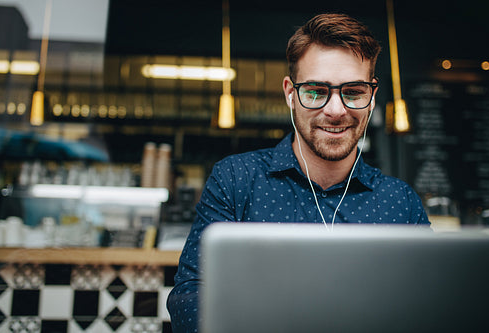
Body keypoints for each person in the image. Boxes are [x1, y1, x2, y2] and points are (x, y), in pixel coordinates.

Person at [167, 13, 430, 332]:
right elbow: (189, 298)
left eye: (354, 91)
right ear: (291, 93)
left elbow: (429, 308)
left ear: (372, 96)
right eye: (317, 91)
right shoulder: (236, 179)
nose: (336, 110)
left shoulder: (400, 203)